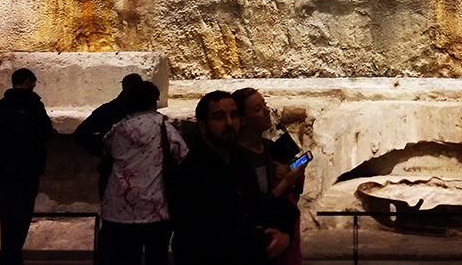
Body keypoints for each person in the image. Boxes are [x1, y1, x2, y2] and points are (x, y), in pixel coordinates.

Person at [171, 91, 299, 265]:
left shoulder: (238, 160)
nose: (229, 123)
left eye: (233, 115)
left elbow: (260, 208)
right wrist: (261, 241)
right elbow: (208, 240)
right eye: (219, 117)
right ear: (202, 125)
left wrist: (284, 233)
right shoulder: (191, 175)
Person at [99, 80, 188, 265]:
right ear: (153, 102)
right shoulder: (163, 128)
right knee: (157, 257)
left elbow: (106, 149)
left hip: (120, 208)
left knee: (125, 258)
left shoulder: (117, 129)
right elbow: (183, 156)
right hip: (155, 208)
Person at [233, 88, 305, 265]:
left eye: (264, 104)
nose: (267, 111)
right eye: (258, 109)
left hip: (283, 234)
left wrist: (291, 174)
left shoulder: (271, 147)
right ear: (241, 120)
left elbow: (298, 179)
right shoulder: (236, 157)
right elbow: (252, 205)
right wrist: (286, 181)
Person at [0, 67, 53, 265]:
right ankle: (12, 255)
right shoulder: (35, 105)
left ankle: (8, 254)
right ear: (28, 82)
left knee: (7, 213)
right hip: (28, 167)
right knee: (23, 213)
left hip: (5, 166)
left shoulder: (1, 105)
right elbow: (46, 132)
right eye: (33, 84)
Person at [73, 72, 144, 197]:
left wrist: (101, 151)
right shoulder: (145, 115)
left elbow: (81, 134)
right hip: (140, 172)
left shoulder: (107, 110)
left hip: (111, 169)